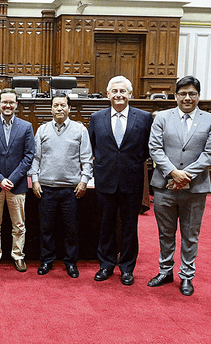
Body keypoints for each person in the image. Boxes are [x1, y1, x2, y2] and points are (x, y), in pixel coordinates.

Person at [147, 75, 211, 296]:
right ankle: (165, 270)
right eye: (183, 94)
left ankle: (187, 276)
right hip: (164, 186)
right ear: (176, 96)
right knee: (165, 233)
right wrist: (173, 173)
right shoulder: (162, 117)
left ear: (198, 96)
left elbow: (210, 153)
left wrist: (185, 175)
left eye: (192, 94)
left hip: (195, 188)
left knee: (190, 234)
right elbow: (155, 148)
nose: (187, 98)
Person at [88, 76, 153, 286]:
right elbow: (92, 147)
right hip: (105, 180)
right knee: (105, 225)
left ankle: (127, 268)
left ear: (130, 94)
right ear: (108, 94)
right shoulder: (96, 118)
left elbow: (147, 150)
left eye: (122, 91)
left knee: (129, 226)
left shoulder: (143, 118)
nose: (118, 95)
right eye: (114, 91)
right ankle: (106, 265)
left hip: (131, 180)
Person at [28, 93, 92, 277]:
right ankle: (46, 261)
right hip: (46, 188)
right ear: (51, 108)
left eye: (63, 105)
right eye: (56, 105)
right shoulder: (42, 130)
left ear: (69, 108)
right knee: (46, 228)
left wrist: (84, 180)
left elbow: (86, 159)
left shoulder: (80, 130)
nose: (59, 109)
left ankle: (71, 262)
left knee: (71, 229)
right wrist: (35, 180)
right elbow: (36, 158)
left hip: (71, 189)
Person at [0, 88, 34, 272]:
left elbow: (28, 156)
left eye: (11, 102)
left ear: (16, 105)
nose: (8, 105)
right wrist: (0, 179)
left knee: (19, 225)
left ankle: (18, 255)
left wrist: (11, 179)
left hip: (17, 185)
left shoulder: (26, 127)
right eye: (4, 102)